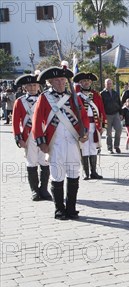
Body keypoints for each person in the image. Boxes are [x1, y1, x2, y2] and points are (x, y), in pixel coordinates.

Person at [31, 62, 90, 220]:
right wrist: (41, 141)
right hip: (55, 142)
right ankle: (59, 209)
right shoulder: (44, 98)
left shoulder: (73, 97)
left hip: (72, 140)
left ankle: (71, 208)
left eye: (63, 80)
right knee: (57, 175)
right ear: (50, 82)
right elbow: (37, 121)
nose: (61, 83)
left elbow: (83, 117)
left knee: (73, 173)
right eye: (57, 80)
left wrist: (85, 133)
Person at [12, 71, 53, 201]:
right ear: (25, 87)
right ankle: (34, 190)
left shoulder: (46, 99)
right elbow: (15, 122)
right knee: (31, 163)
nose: (32, 88)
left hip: (43, 135)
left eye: (35, 85)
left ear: (39, 86)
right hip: (28, 136)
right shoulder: (20, 101)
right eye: (29, 86)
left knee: (45, 162)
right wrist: (19, 139)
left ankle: (44, 189)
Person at [74, 72, 105, 180]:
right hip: (83, 126)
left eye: (88, 81)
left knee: (93, 148)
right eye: (83, 81)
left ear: (90, 82)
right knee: (84, 148)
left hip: (95, 125)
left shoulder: (96, 95)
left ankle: (94, 172)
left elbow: (101, 110)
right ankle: (86, 173)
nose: (86, 83)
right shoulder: (77, 96)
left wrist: (103, 126)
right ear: (80, 83)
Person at [100, 78, 122, 153]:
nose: (109, 85)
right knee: (108, 132)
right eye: (107, 83)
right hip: (106, 115)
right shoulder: (102, 94)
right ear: (105, 84)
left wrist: (121, 113)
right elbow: (100, 105)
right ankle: (110, 148)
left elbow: (119, 103)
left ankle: (116, 146)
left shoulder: (115, 93)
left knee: (119, 129)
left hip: (116, 114)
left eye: (110, 83)